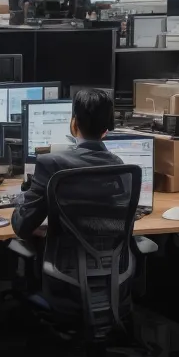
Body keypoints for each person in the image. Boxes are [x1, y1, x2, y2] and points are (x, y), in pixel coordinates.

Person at [13, 89, 124, 244]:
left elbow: (23, 227)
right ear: (107, 128)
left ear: (74, 123)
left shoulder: (51, 164)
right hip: (110, 262)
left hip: (64, 264)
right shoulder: (120, 167)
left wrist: (21, 199)